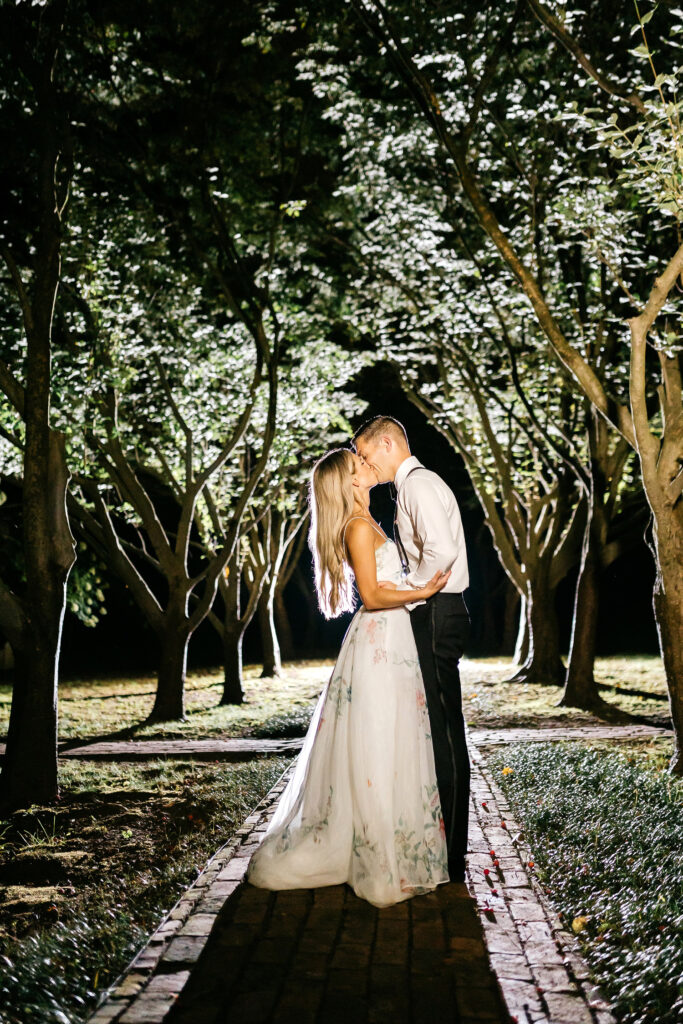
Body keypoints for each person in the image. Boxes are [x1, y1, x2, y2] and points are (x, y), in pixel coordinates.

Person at [247, 447, 452, 907]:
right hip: (379, 641)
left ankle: (396, 851)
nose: (366, 465)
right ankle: (380, 863)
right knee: (378, 744)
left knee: (393, 739)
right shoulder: (358, 528)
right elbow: (374, 596)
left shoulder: (369, 521)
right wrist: (425, 590)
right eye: (358, 464)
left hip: (391, 641)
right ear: (350, 481)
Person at [352, 416, 471, 883]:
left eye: (366, 454)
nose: (364, 463)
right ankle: (445, 842)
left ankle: (453, 854)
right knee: (437, 727)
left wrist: (415, 592)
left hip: (439, 612)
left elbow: (440, 551)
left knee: (443, 732)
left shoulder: (418, 485)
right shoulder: (414, 487)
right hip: (437, 609)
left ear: (387, 443)